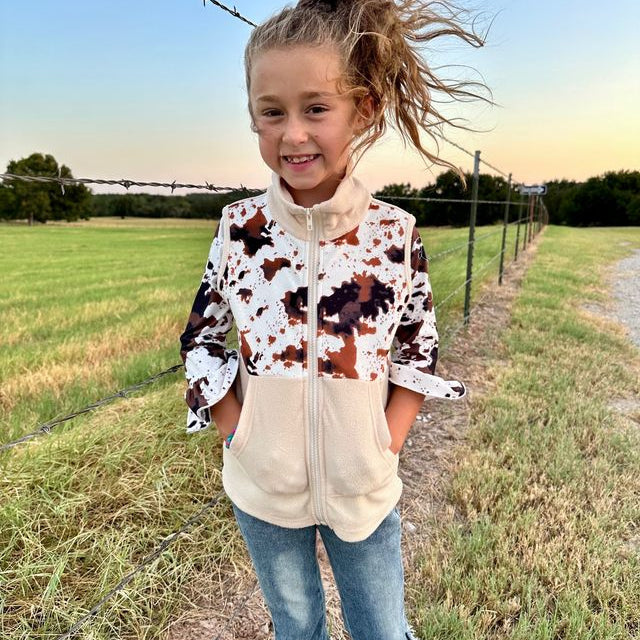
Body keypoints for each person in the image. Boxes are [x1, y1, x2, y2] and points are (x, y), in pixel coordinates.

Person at [179, 1, 486, 637]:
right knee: (296, 627)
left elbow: (418, 349)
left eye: (315, 108)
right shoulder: (240, 230)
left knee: (381, 628)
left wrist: (384, 444)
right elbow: (202, 337)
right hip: (262, 490)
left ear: (362, 110)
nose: (293, 134)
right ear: (253, 117)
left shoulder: (394, 234)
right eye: (272, 112)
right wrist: (238, 434)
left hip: (363, 489)